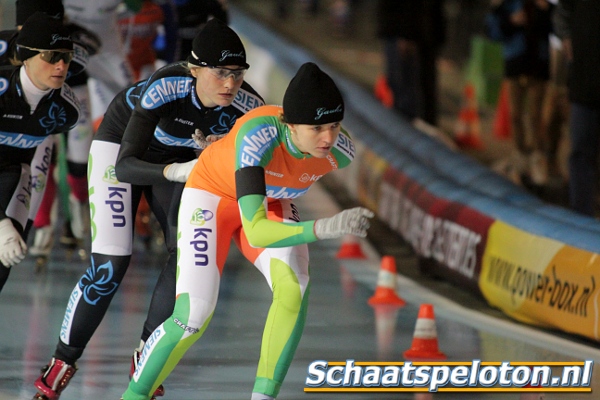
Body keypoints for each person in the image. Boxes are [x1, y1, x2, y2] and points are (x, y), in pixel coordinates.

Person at [33, 18, 264, 400]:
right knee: (110, 264)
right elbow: (125, 166)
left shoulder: (247, 105)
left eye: (238, 74)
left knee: (184, 255)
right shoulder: (167, 87)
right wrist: (181, 169)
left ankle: (147, 359)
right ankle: (61, 363)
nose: (230, 84)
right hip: (123, 150)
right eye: (221, 73)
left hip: (177, 161)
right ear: (194, 70)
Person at [120, 62, 374, 400]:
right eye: (316, 129)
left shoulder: (340, 154)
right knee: (194, 313)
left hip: (270, 197)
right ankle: (133, 396)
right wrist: (323, 228)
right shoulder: (260, 138)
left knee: (294, 288)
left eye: (334, 125)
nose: (328, 138)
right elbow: (257, 233)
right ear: (289, 124)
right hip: (214, 197)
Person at [0, 12, 80, 288]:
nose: (60, 65)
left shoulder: (67, 112)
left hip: (15, 169)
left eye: (66, 57)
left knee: (8, 255)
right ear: (26, 55)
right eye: (50, 56)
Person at [486, 0, 554, 186]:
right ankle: (520, 159)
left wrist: (543, 11)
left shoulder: (544, 4)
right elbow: (494, 31)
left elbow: (554, 29)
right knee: (514, 115)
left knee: (535, 115)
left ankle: (538, 160)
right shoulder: (507, 4)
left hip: (538, 67)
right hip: (515, 64)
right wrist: (511, 21)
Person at [553, 0, 600, 216]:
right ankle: (581, 220)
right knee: (581, 153)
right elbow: (562, 12)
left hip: (584, 80)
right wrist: (566, 38)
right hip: (585, 82)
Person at [376, 0, 446, 126]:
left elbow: (414, 6)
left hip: (403, 33)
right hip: (407, 31)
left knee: (406, 89)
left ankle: (408, 128)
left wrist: (405, 34)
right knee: (403, 87)